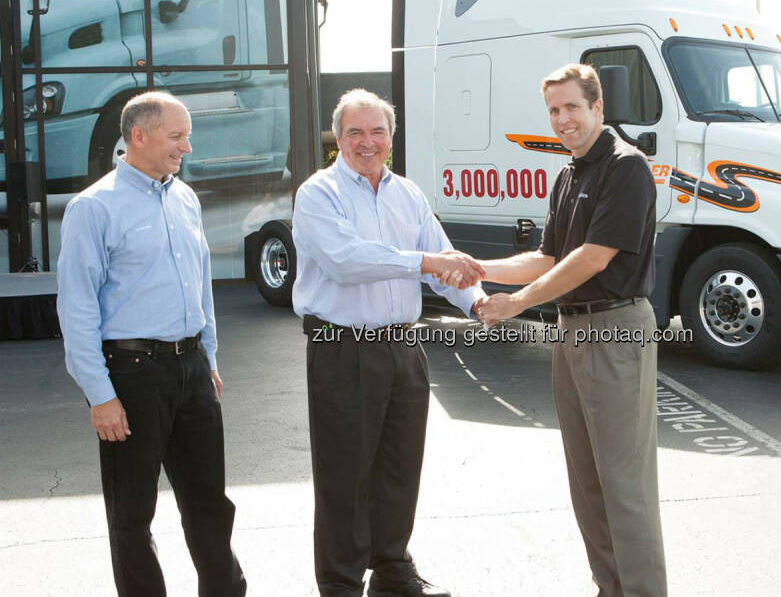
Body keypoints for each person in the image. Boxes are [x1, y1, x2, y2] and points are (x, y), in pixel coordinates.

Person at [475, 64, 666, 597]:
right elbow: (548, 257)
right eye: (554, 110)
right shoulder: (569, 174)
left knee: (625, 487)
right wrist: (476, 267)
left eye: (572, 108)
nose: (563, 120)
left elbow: (593, 258)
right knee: (588, 485)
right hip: (571, 333)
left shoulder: (626, 167)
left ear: (598, 108)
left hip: (615, 330)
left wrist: (518, 304)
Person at [292, 88, 486, 597]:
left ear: (391, 138)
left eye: (377, 131)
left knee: (400, 466)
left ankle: (393, 571)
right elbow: (347, 260)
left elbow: (443, 258)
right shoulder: (319, 194)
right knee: (345, 475)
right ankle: (340, 584)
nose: (367, 141)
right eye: (355, 131)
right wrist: (422, 263)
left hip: (404, 348)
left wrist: (479, 304)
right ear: (337, 138)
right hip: (343, 348)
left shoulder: (408, 194)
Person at [57, 91, 246, 596]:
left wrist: (209, 356)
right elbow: (76, 308)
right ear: (138, 136)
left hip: (192, 369)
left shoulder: (184, 197)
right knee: (132, 514)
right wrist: (100, 395)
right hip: (132, 374)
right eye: (177, 135)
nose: (187, 146)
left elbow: (200, 282)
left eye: (187, 135)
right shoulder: (93, 208)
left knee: (209, 502)